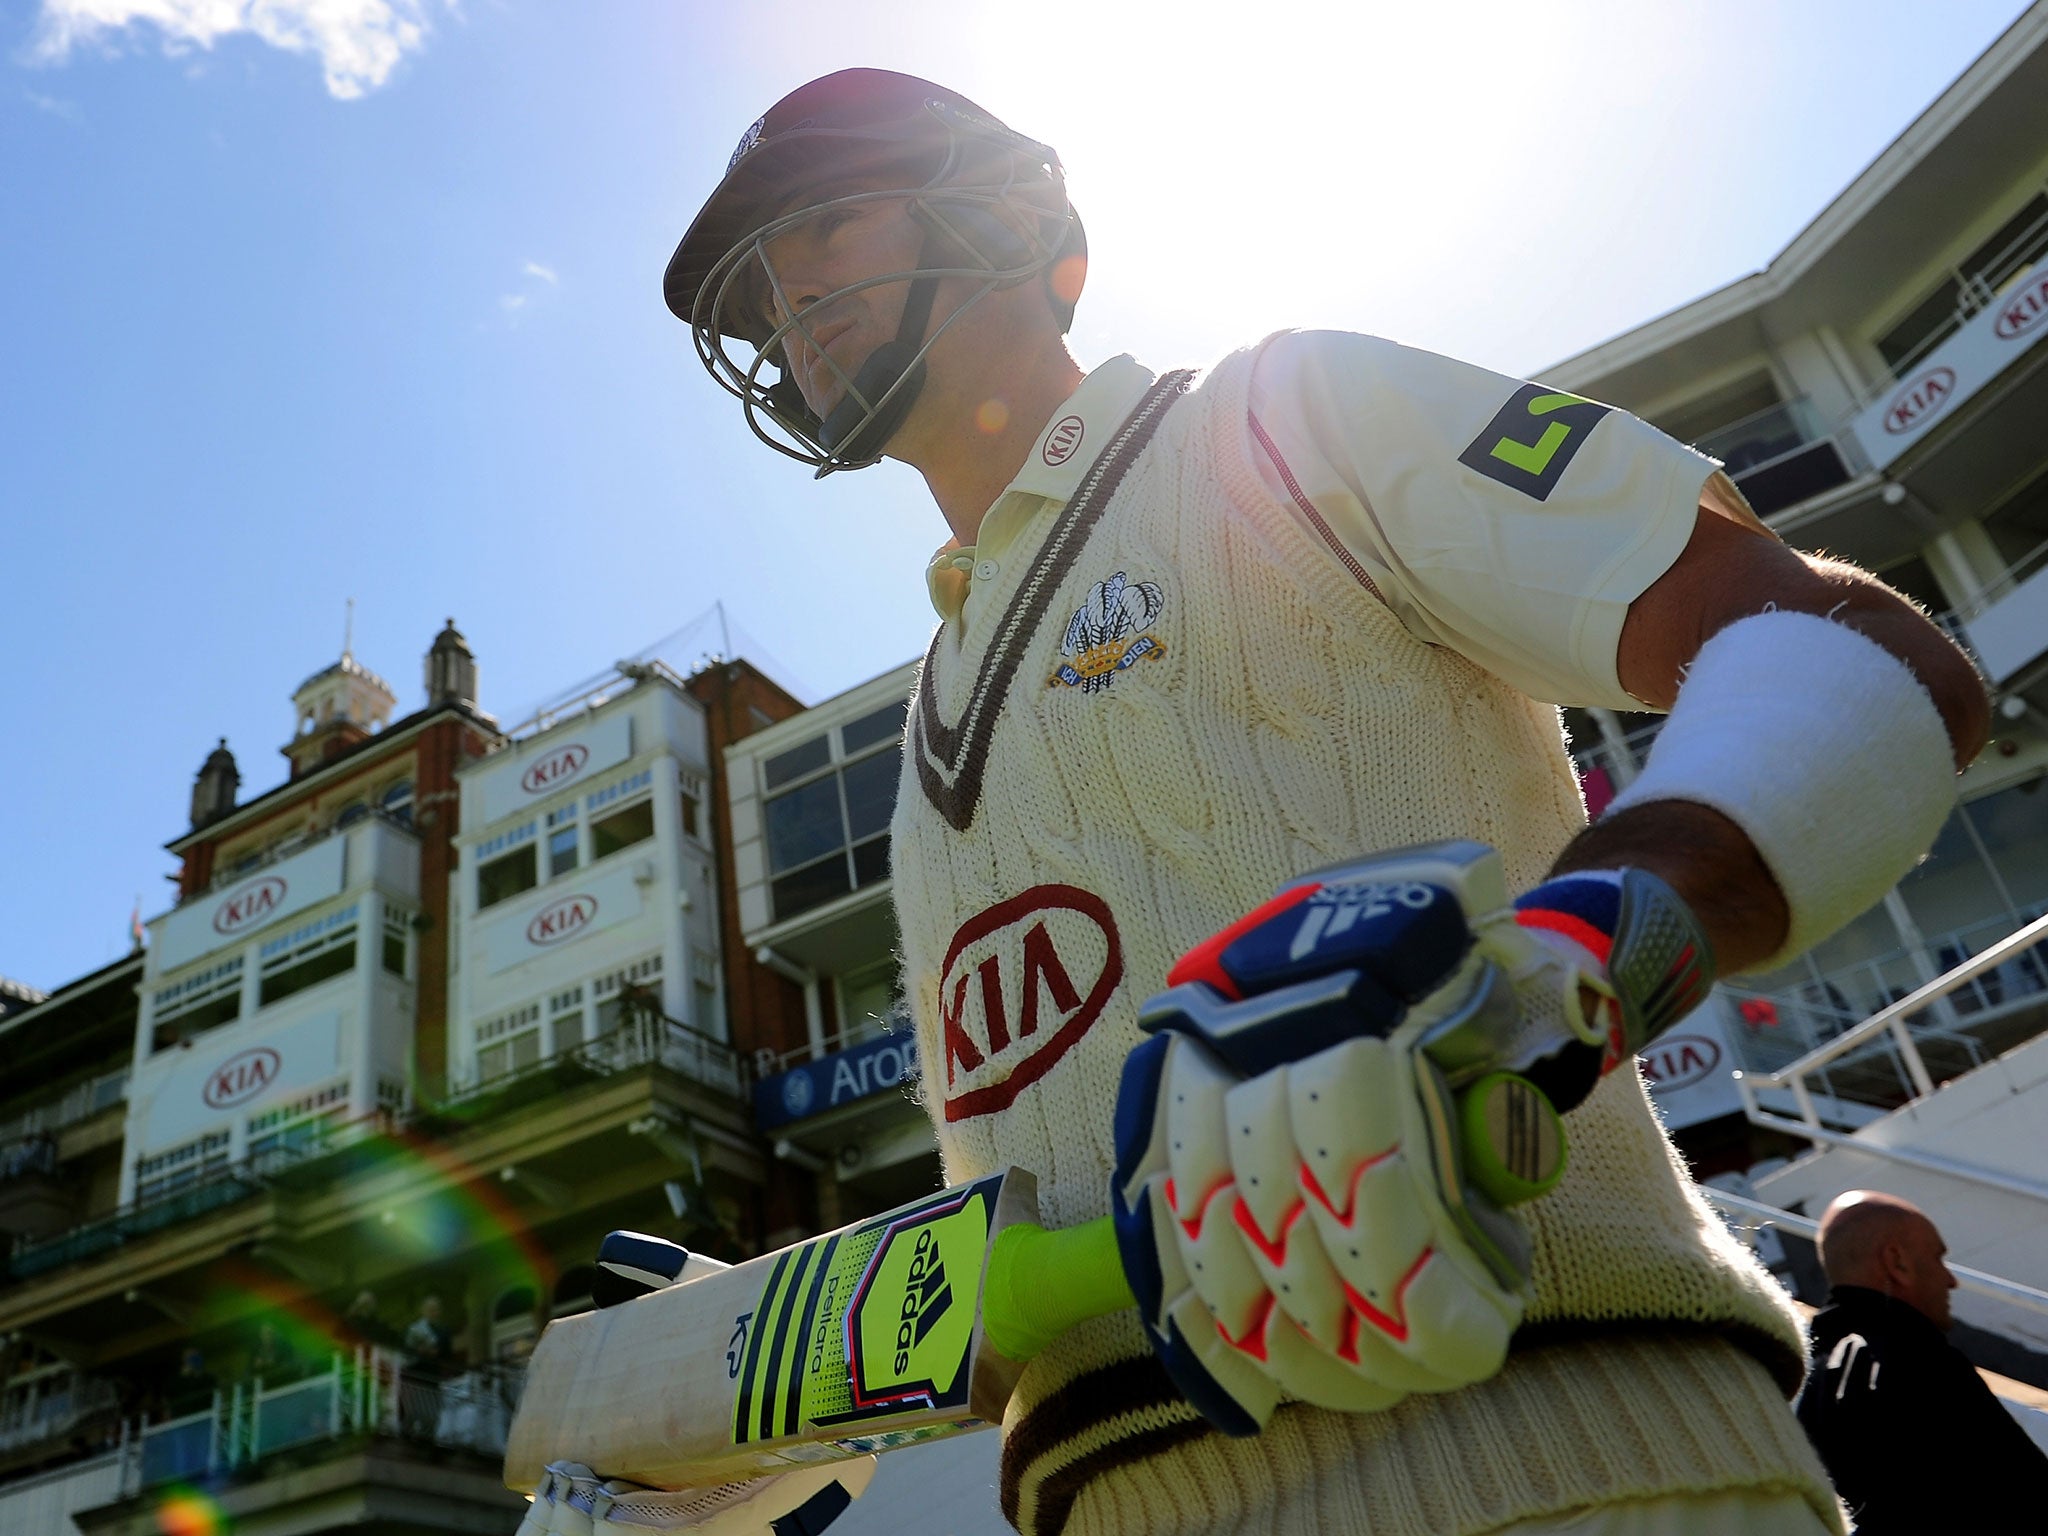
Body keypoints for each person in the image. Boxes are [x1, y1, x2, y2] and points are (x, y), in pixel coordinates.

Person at [653, 71, 1989, 1536]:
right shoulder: (927, 722)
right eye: (763, 290)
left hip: (1564, 1457)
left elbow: (1859, 662)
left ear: (1016, 215)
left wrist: (1556, 978)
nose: (791, 303)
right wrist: (752, 1407)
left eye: (827, 226)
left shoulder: (1281, 414)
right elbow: (1059, 1257)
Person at [1796, 1190, 2048, 1530]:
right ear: (1897, 1262)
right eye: (1937, 1257)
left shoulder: (1815, 1385)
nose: (1950, 1279)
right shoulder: (1914, 1358)